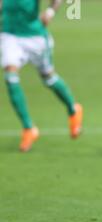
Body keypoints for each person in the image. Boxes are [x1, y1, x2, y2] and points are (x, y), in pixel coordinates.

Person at [0, 0, 83, 152]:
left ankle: (73, 109)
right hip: (9, 35)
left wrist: (50, 12)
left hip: (35, 36)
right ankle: (28, 128)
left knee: (49, 79)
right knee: (10, 76)